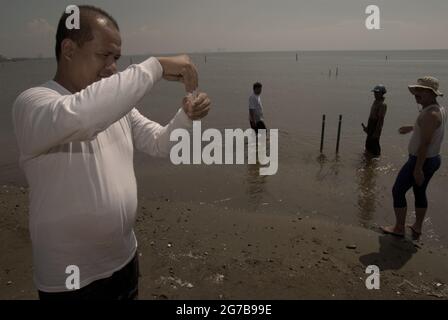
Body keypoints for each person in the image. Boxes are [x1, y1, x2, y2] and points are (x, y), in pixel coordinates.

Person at [12, 5, 211, 300]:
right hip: (70, 278)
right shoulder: (34, 103)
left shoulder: (116, 107)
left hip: (124, 261)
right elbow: (79, 117)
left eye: (116, 58)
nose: (112, 67)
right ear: (68, 49)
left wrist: (185, 118)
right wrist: (155, 66)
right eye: (104, 55)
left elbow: (161, 143)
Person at [382, 77, 445, 239]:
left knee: (397, 190)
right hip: (433, 159)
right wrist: (412, 127)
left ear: (432, 93)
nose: (417, 94)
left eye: (421, 91)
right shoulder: (437, 109)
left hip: (421, 160)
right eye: (416, 90)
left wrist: (417, 169)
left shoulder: (430, 114)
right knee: (419, 191)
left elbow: (425, 143)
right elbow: (429, 129)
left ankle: (399, 228)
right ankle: (417, 226)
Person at [362, 85, 388, 157]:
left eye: (377, 93)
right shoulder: (375, 102)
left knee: (374, 146)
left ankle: (375, 162)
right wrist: (367, 128)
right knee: (368, 145)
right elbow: (371, 116)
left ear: (382, 93)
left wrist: (376, 132)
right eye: (375, 93)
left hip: (375, 126)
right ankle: (369, 164)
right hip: (371, 125)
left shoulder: (382, 105)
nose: (375, 94)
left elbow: (380, 120)